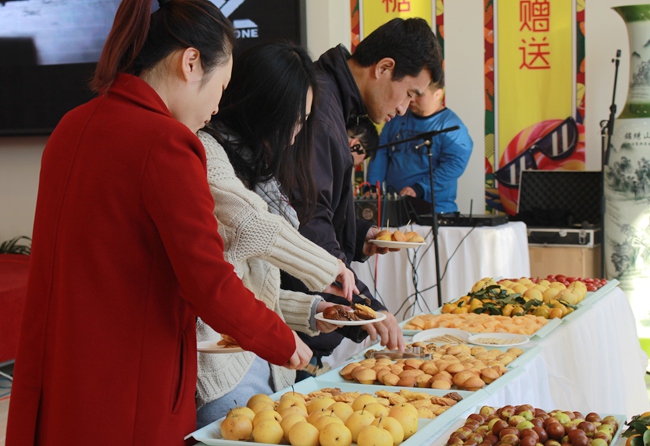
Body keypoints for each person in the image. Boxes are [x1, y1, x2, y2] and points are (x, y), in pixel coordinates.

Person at [6, 1, 312, 444]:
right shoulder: (167, 143)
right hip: (127, 386)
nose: (216, 107)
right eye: (221, 87)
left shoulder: (70, 127)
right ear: (190, 63)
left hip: (63, 375)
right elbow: (208, 281)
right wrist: (281, 340)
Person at [194, 42, 358, 428]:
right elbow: (255, 227)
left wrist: (312, 311)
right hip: (226, 371)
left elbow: (252, 286)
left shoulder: (258, 171)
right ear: (265, 109)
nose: (297, 134)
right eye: (295, 120)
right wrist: (327, 266)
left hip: (258, 360)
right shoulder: (204, 151)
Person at [281, 17, 444, 379]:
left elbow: (316, 207)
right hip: (290, 321)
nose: (404, 109)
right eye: (410, 93)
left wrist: (360, 235)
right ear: (384, 68)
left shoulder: (335, 103)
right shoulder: (322, 109)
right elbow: (307, 222)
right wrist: (368, 309)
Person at [367, 75, 473, 214]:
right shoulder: (396, 118)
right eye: (411, 93)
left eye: (419, 95)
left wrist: (419, 188)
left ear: (438, 94)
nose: (412, 100)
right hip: (395, 209)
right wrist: (373, 187)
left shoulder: (452, 127)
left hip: (434, 212)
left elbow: (453, 166)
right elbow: (380, 153)